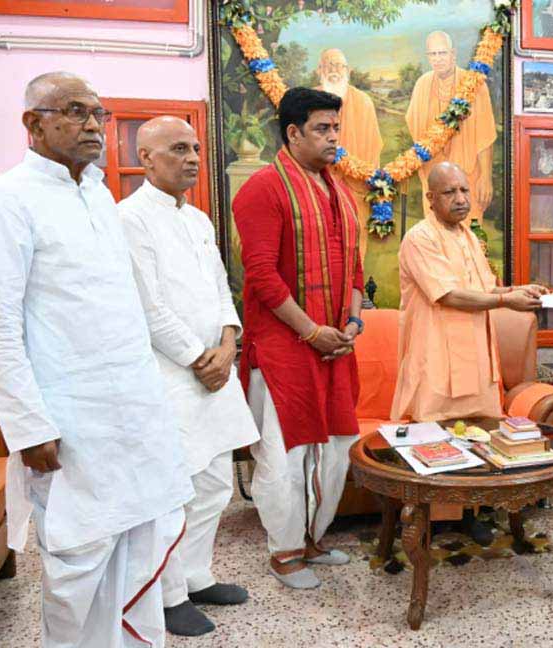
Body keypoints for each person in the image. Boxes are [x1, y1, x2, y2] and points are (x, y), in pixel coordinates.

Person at [0, 71, 193, 647]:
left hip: (132, 413)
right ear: (33, 124)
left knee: (137, 543)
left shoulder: (99, 194)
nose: (92, 125)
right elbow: (0, 325)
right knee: (77, 561)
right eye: (75, 111)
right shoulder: (10, 199)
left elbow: (122, 310)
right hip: (68, 420)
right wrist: (29, 426)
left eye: (98, 114)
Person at [118, 116, 260, 636]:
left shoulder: (199, 219)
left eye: (196, 148)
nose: (193, 158)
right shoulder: (129, 219)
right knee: (179, 488)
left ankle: (197, 576)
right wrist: (201, 358)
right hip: (172, 376)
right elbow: (148, 307)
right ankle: (168, 594)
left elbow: (222, 289)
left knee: (217, 482)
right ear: (146, 158)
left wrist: (229, 343)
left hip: (215, 370)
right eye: (178, 149)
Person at [233, 87, 364, 589]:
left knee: (335, 450)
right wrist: (311, 331)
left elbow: (355, 269)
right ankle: (284, 551)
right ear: (293, 132)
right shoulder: (263, 190)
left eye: (336, 128)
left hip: (335, 344)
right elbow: (262, 277)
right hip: (286, 347)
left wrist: (352, 324)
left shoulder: (340, 193)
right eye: (322, 129)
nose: (333, 138)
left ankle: (313, 538)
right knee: (285, 455)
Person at [390, 161, 543, 543]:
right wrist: (506, 300)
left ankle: (469, 513)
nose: (460, 199)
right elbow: (449, 295)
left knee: (477, 434)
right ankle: (431, 517)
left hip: (476, 354)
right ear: (430, 198)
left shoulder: (469, 236)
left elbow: (485, 290)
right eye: (449, 192)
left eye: (464, 190)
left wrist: (519, 290)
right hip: (437, 356)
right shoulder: (419, 238)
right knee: (434, 433)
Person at [406, 30, 497, 226]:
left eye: (442, 53)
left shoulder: (474, 85)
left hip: (467, 176)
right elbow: (415, 130)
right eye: (433, 54)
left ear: (453, 54)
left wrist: (486, 178)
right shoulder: (422, 85)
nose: (438, 59)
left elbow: (485, 135)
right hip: (433, 178)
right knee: (435, 234)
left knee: (469, 236)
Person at [315, 48, 383, 264]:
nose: (334, 70)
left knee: (354, 253)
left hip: (355, 189)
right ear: (319, 70)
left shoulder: (363, 102)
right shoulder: (309, 102)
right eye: (329, 65)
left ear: (348, 70)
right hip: (317, 189)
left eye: (339, 65)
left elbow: (373, 149)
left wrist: (360, 179)